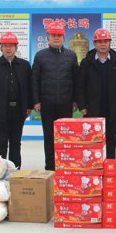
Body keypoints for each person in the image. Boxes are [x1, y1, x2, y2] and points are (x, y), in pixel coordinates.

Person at [0, 32, 33, 169]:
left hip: (19, 109)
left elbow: (29, 87)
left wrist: (29, 106)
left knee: (16, 142)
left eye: (11, 46)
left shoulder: (24, 65)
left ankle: (15, 170)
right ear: (1, 47)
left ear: (16, 47)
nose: (8, 49)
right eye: (5, 46)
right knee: (1, 142)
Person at [32, 25, 78, 171]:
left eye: (59, 35)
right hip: (47, 104)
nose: (56, 38)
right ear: (48, 38)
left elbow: (75, 80)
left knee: (66, 137)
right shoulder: (40, 56)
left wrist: (75, 100)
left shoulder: (71, 55)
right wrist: (36, 101)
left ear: (64, 37)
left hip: (66, 104)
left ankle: (65, 167)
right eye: (53, 35)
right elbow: (35, 80)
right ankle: (50, 167)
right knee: (49, 138)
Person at [77, 28, 116, 159]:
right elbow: (80, 86)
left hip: (112, 108)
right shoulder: (86, 62)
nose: (103, 44)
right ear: (94, 43)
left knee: (111, 139)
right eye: (99, 42)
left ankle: (110, 165)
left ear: (109, 42)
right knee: (92, 140)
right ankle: (93, 165)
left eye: (105, 41)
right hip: (91, 108)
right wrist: (82, 105)